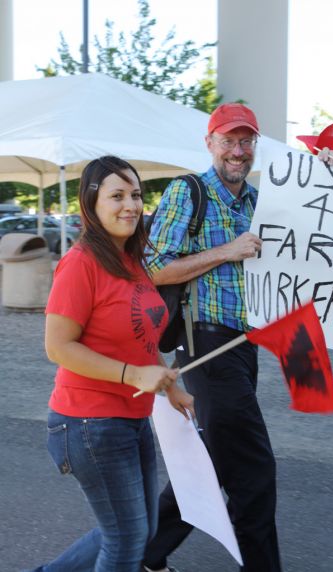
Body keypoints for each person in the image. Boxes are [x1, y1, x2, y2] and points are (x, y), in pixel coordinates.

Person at [141, 103, 333, 572]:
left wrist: (326, 175)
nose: (238, 150)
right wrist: (226, 251)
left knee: (215, 460)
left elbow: (307, 228)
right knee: (253, 470)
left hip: (243, 348)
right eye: (228, 140)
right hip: (204, 347)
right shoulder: (187, 192)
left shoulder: (255, 203)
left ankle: (144, 552)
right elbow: (155, 269)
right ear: (210, 143)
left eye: (246, 140)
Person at [25, 155, 194, 572]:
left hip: (132, 417)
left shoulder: (132, 260)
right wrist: (135, 375)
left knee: (136, 528)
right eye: (116, 196)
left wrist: (169, 385)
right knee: (126, 540)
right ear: (91, 204)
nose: (130, 205)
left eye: (135, 195)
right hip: (89, 423)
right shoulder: (80, 263)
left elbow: (139, 337)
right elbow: (59, 347)